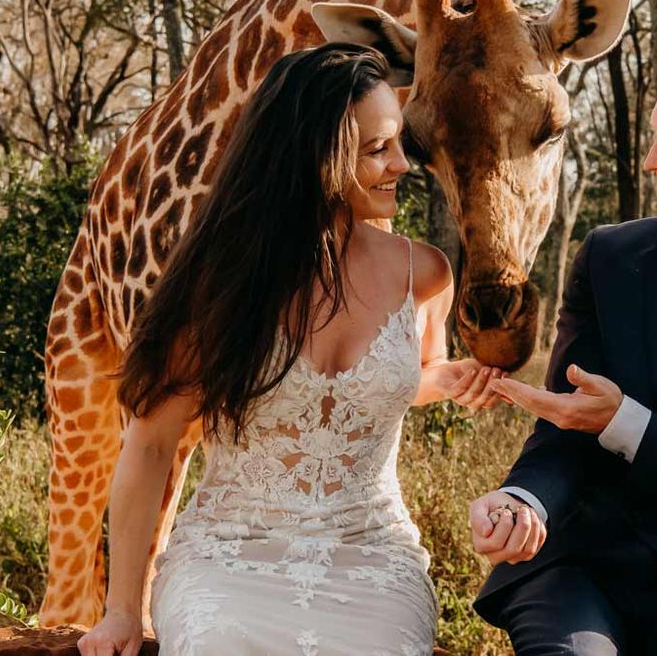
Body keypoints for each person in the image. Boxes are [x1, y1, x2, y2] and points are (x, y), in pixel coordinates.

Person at [78, 43, 502, 656]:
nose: (402, 165)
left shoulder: (426, 274)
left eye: (398, 144)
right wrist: (121, 611)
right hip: (228, 555)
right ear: (313, 156)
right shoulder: (219, 287)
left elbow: (411, 376)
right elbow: (148, 445)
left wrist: (449, 379)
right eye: (376, 149)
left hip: (372, 559)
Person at [469, 98, 657, 653]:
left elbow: (613, 421)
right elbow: (562, 430)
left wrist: (626, 423)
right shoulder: (608, 257)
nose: (649, 161)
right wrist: (524, 500)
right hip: (587, 566)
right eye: (651, 138)